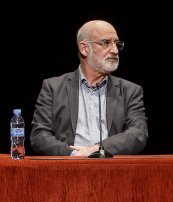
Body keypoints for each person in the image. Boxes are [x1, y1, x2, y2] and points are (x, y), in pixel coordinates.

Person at [31, 20, 148, 156]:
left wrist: (97, 149)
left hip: (112, 170)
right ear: (84, 48)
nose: (115, 50)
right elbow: (39, 136)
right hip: (66, 170)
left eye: (117, 43)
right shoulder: (53, 87)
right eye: (106, 43)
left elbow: (138, 134)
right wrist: (74, 154)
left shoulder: (130, 91)